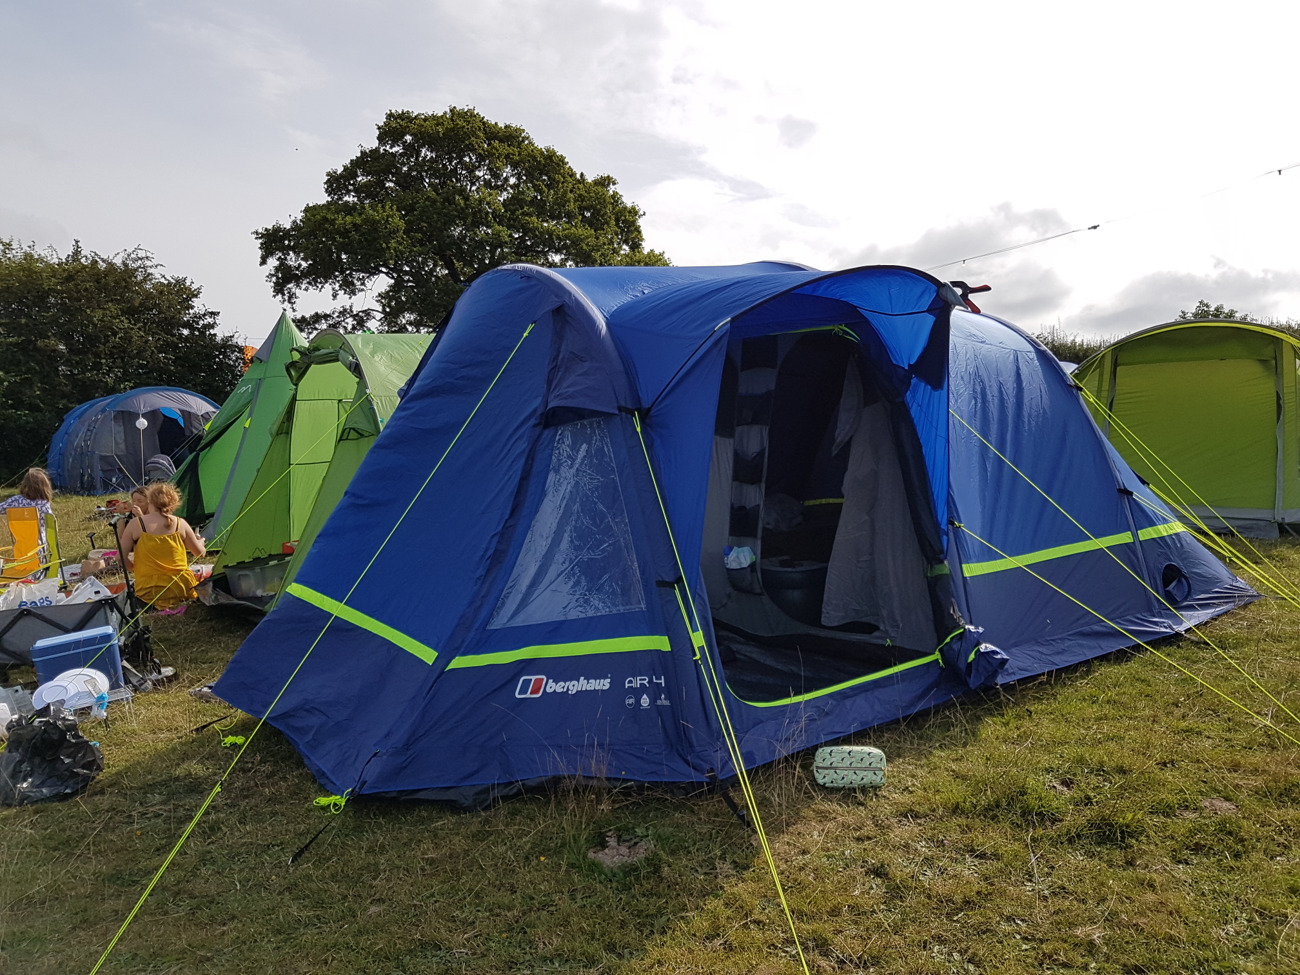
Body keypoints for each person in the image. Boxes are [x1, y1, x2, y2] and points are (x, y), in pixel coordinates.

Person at [118, 482, 206, 611]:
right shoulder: (180, 523)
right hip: (182, 588)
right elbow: (200, 554)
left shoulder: (136, 523)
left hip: (149, 591)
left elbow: (120, 557)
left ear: (150, 501)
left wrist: (134, 568)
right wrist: (201, 543)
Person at [1, 468, 55, 545]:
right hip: (38, 550)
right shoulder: (43, 505)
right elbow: (51, 525)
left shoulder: (15, 501)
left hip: (20, 550)